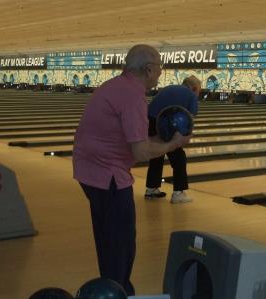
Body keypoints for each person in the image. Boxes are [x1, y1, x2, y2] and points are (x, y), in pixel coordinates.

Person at [72, 44, 191, 296]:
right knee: (121, 244)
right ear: (148, 69)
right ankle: (117, 288)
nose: (161, 72)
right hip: (108, 175)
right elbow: (140, 152)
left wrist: (160, 139)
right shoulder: (132, 95)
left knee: (109, 239)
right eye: (160, 67)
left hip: (91, 171)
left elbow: (138, 142)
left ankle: (116, 287)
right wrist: (172, 143)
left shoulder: (117, 86)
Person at [145, 76, 201, 204]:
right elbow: (191, 115)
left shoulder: (170, 88)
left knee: (157, 155)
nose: (198, 94)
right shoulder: (191, 95)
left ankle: (151, 189)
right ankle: (178, 193)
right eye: (199, 91)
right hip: (165, 124)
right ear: (194, 88)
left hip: (150, 121)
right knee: (179, 158)